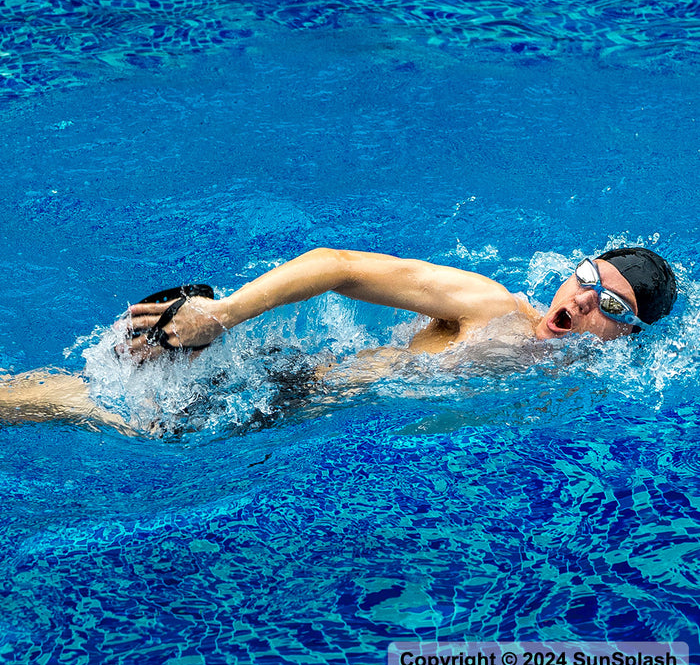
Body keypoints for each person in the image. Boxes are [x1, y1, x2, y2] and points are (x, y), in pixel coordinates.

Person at [0, 246, 677, 431]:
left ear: (627, 333)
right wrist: (223, 315)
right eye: (587, 276)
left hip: (311, 406)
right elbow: (337, 267)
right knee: (122, 416)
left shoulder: (585, 383)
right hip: (295, 389)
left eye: (609, 301)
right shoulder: (489, 307)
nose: (583, 296)